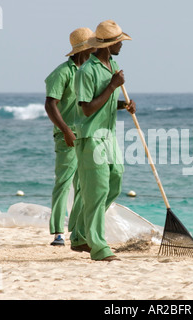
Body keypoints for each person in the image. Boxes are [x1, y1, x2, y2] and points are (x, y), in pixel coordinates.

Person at [70, 20, 136, 261]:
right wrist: (112, 86)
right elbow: (87, 109)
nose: (122, 46)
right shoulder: (86, 72)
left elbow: (104, 103)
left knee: (115, 182)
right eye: (119, 42)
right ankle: (98, 247)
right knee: (97, 192)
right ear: (109, 44)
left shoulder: (114, 65)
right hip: (90, 138)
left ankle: (79, 233)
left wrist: (123, 105)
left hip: (109, 137)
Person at [44, 28, 96, 246]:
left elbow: (92, 104)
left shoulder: (88, 73)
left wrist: (123, 105)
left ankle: (76, 228)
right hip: (67, 135)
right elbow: (50, 104)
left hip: (86, 135)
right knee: (64, 183)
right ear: (85, 49)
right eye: (94, 47)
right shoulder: (62, 73)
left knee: (83, 184)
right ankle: (58, 232)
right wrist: (65, 130)